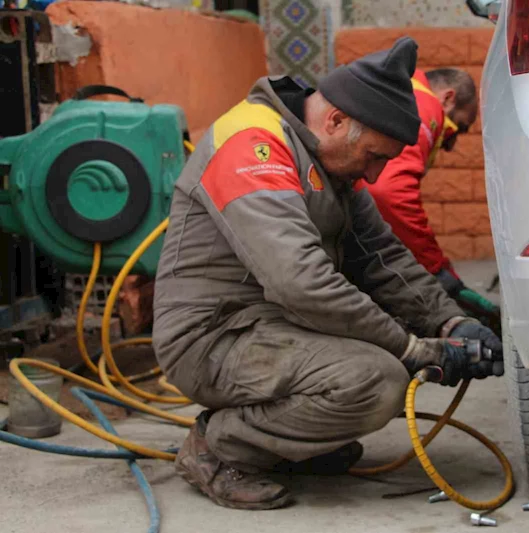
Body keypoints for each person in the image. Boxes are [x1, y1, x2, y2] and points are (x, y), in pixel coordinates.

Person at [151, 37, 504, 511]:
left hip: (271, 325)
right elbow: (302, 282)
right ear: (337, 121)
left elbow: (382, 257)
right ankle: (218, 447)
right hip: (211, 336)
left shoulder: (329, 162)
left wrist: (449, 322)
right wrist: (414, 348)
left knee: (376, 363)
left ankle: (289, 441)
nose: (376, 175)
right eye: (375, 156)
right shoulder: (253, 144)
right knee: (376, 379)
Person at [356, 67, 502, 335]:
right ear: (447, 98)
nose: (450, 144)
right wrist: (436, 269)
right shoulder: (424, 106)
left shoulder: (403, 94)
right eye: (456, 128)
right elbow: (391, 193)